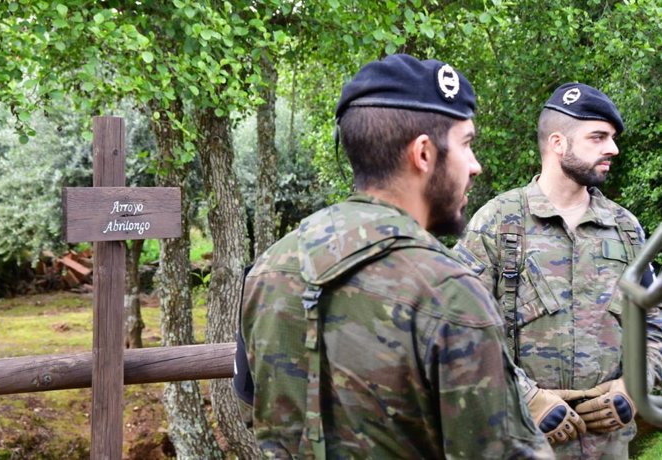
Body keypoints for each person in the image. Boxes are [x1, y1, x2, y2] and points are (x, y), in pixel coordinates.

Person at [234, 54, 553, 458]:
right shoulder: (449, 294)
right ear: (423, 154)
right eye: (467, 144)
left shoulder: (268, 268)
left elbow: (254, 406)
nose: (476, 166)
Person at [454, 82, 662, 459]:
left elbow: (653, 325)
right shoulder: (498, 223)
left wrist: (635, 387)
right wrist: (527, 399)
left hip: (609, 448)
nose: (612, 148)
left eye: (612, 138)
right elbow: (461, 331)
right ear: (557, 143)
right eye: (598, 137)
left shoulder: (627, 229)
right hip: (524, 444)